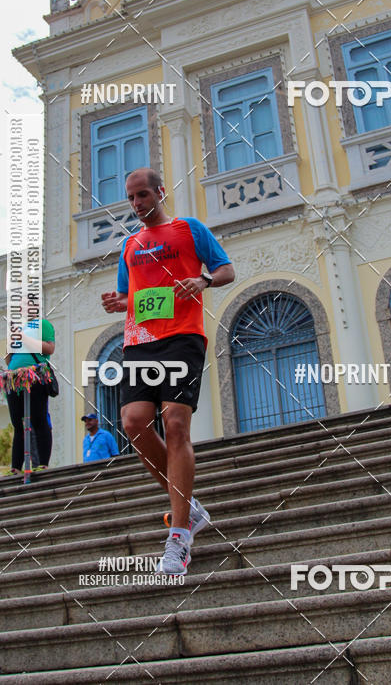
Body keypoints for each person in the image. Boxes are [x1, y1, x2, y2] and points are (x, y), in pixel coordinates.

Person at [101, 168, 234, 575]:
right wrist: (117, 302)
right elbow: (132, 296)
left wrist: (202, 279)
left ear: (161, 192)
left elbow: (227, 270)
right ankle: (189, 507)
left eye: (143, 195)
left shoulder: (189, 229)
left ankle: (178, 537)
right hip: (140, 339)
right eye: (131, 198)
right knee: (134, 422)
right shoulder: (131, 245)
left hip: (183, 337)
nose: (138, 203)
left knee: (175, 423)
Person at [6, 317, 55, 474]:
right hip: (14, 379)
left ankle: (42, 464)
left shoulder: (43, 324)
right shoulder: (18, 329)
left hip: (36, 376)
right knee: (17, 425)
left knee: (39, 419)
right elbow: (8, 359)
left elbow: (49, 348)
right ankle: (15, 467)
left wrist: (24, 338)